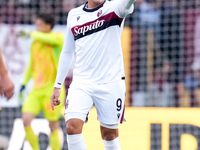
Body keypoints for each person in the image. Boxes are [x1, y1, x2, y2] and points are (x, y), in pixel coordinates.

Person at [50, 0, 136, 149]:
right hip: (81, 83)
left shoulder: (115, 8)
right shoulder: (74, 14)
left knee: (109, 134)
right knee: (71, 127)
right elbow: (67, 51)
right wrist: (57, 85)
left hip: (111, 82)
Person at [18, 13, 65, 150]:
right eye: (36, 24)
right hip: (36, 90)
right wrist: (24, 83)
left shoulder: (58, 38)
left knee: (53, 124)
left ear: (48, 26)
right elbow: (31, 65)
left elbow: (49, 39)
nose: (36, 27)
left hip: (52, 90)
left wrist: (30, 34)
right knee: (26, 120)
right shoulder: (36, 42)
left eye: (39, 25)